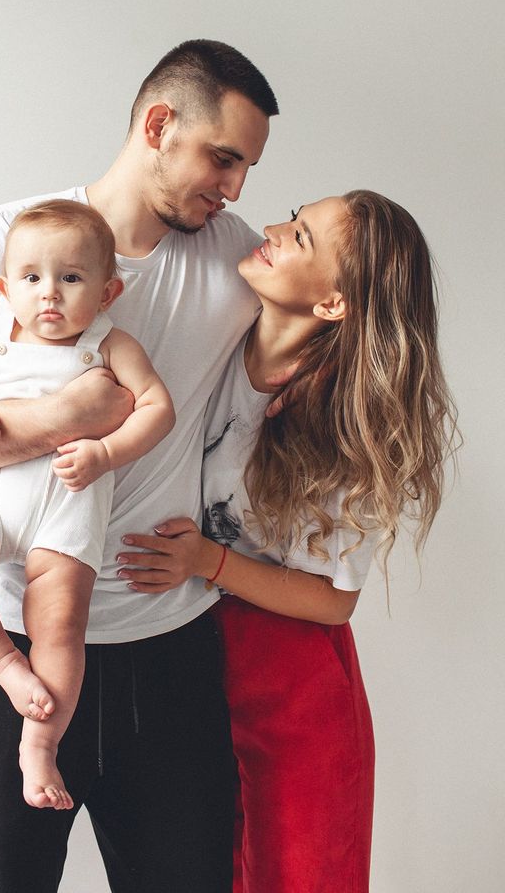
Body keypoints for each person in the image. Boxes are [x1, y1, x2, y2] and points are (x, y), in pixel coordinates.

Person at [0, 39, 279, 893]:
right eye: (223, 158)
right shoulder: (11, 241)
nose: (236, 186)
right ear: (158, 125)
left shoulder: (239, 262)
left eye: (245, 168)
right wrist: (68, 416)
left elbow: (339, 308)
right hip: (8, 643)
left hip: (168, 649)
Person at [117, 191, 458, 893]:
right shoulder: (210, 338)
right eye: (293, 217)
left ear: (333, 304)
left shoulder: (339, 422)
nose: (272, 229)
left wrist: (207, 561)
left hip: (292, 692)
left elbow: (335, 602)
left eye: (299, 236)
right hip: (187, 665)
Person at [0, 199, 175, 812]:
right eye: (32, 279)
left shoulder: (112, 345)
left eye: (71, 278)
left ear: (108, 291)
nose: (49, 295)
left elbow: (158, 409)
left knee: (60, 625)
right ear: (7, 287)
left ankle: (40, 743)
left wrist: (107, 454)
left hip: (68, 504)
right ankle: (5, 665)